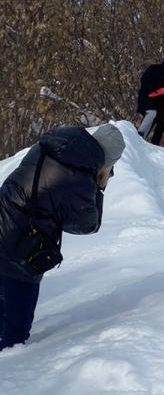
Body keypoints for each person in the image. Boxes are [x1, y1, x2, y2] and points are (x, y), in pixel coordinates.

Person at [0, 124, 125, 351]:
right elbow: (87, 224)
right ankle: (11, 373)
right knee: (15, 332)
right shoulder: (80, 174)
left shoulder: (51, 146)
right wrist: (99, 188)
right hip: (23, 248)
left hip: (4, 219)